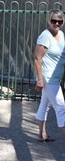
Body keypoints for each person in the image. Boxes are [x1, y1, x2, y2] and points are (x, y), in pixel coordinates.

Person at [34, 9, 65, 142]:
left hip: (55, 78)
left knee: (45, 105)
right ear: (49, 21)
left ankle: (42, 135)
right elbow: (37, 58)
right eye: (54, 21)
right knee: (61, 108)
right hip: (48, 78)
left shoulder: (61, 34)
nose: (56, 24)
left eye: (60, 21)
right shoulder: (45, 36)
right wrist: (40, 80)